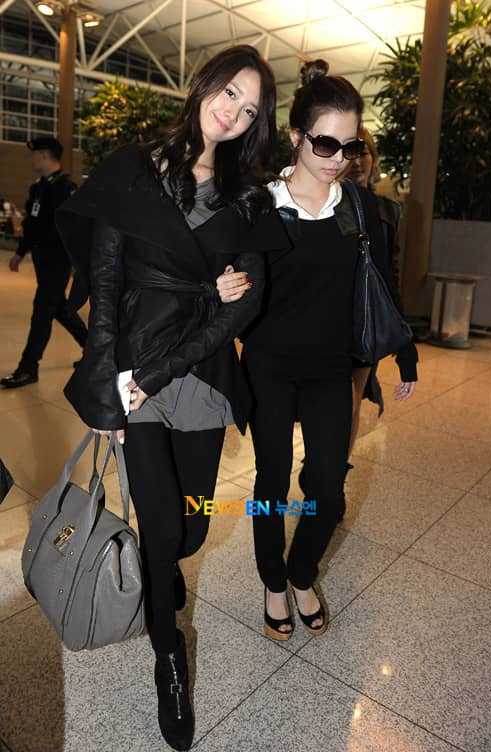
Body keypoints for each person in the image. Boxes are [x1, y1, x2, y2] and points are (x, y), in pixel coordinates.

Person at [55, 45, 289, 751]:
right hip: (133, 369)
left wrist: (165, 364)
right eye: (230, 92)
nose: (234, 112)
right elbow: (104, 284)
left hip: (200, 373)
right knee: (161, 532)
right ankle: (169, 659)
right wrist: (111, 384)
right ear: (205, 83)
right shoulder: (134, 168)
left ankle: (168, 574)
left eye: (250, 109)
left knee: (189, 530)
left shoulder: (246, 196)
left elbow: (246, 303)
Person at [229, 59, 418, 642]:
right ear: (296, 135)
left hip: (332, 368)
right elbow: (225, 276)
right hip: (269, 365)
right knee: (271, 483)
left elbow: (379, 282)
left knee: (329, 491)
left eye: (350, 145)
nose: (339, 157)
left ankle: (302, 572)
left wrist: (404, 351)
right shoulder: (260, 204)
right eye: (325, 143)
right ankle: (272, 581)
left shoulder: (359, 207)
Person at [297, 125, 419, 507]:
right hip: (326, 323)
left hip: (365, 323)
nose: (360, 158)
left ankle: (332, 478)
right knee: (328, 404)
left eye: (364, 150)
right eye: (352, 150)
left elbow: (388, 277)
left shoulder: (387, 211)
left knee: (350, 404)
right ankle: (319, 468)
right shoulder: (326, 203)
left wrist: (405, 346)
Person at [0, 138, 87, 389]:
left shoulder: (65, 189)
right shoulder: (39, 187)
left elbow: (72, 229)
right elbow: (32, 225)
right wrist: (20, 252)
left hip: (57, 262)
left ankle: (28, 368)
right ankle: (94, 350)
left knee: (42, 313)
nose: (32, 159)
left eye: (35, 154)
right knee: (60, 309)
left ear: (46, 156)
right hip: (42, 261)